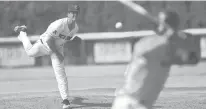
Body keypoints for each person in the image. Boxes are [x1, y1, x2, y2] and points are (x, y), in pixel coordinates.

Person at [111, 8, 199, 109]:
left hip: (142, 105)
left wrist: (183, 41)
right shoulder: (147, 42)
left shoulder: (170, 47)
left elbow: (193, 59)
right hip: (129, 103)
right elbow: (145, 50)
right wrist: (171, 38)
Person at [14, 4, 82, 109]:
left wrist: (72, 42)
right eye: (72, 12)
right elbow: (50, 40)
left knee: (60, 73)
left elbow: (63, 41)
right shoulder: (59, 25)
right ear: (68, 13)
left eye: (76, 13)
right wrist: (58, 54)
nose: (74, 15)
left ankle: (66, 100)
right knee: (29, 53)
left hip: (58, 48)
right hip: (44, 44)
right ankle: (22, 33)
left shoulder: (75, 28)